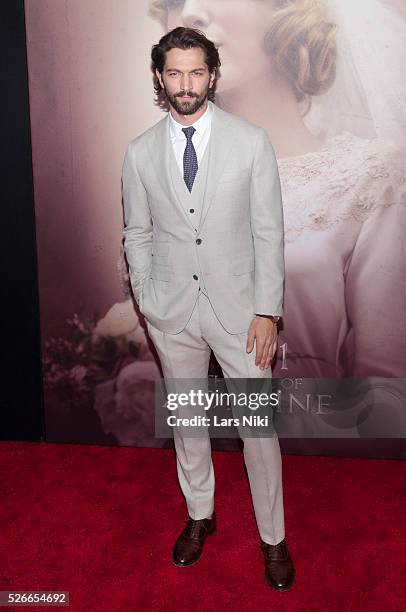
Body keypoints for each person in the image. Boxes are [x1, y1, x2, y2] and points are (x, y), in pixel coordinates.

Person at [146, 0, 406, 449]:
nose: (190, 12)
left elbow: (388, 402)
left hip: (318, 474)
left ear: (286, 11)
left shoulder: (372, 182)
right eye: (174, 1)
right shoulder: (161, 179)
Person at [121, 27, 296, 591]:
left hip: (243, 314)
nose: (186, 84)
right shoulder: (140, 151)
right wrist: (148, 302)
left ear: (212, 75)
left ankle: (274, 538)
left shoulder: (251, 141)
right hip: (173, 314)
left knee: (257, 431)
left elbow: (269, 232)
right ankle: (200, 515)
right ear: (159, 77)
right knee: (189, 424)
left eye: (196, 72)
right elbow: (136, 234)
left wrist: (267, 311)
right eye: (174, 72)